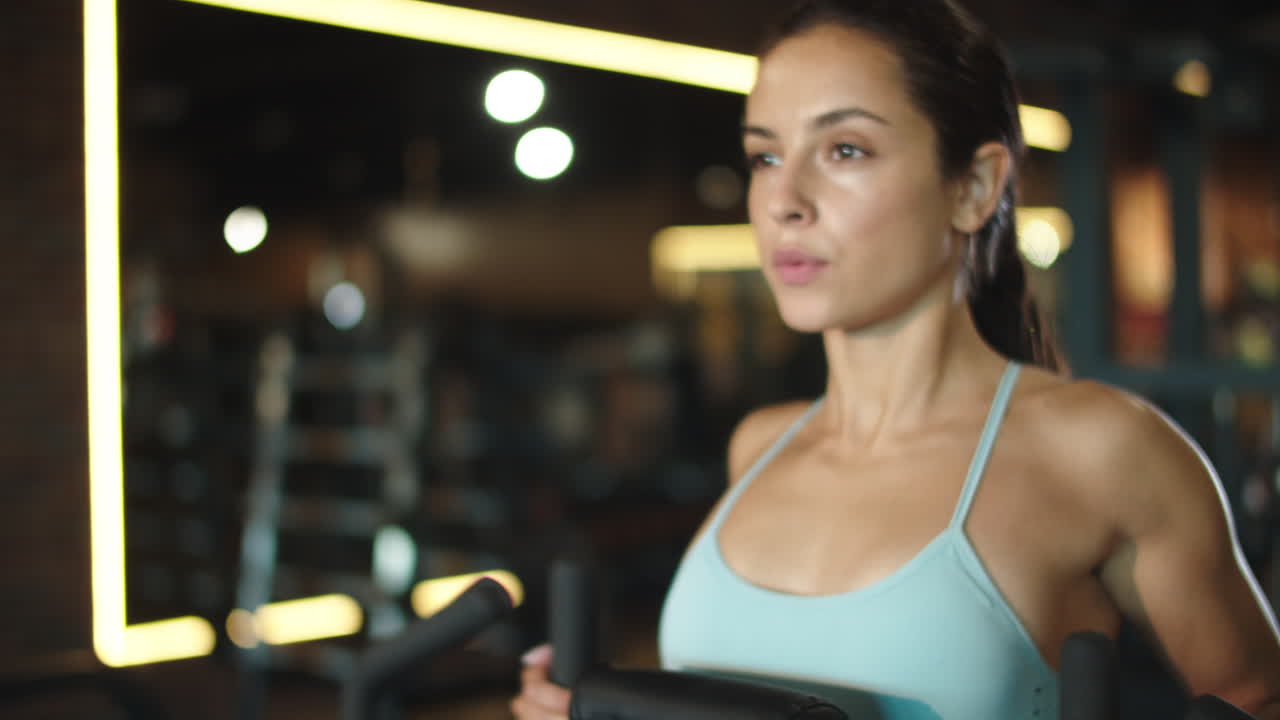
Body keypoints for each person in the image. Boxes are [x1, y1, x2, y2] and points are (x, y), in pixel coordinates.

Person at [511, 0, 1280, 717]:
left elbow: (1257, 695)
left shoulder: (1099, 450)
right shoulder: (760, 445)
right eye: (765, 157)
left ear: (974, 188)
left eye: (844, 149)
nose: (785, 201)